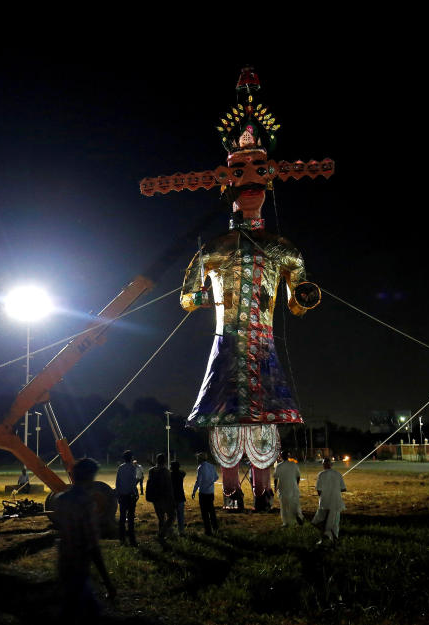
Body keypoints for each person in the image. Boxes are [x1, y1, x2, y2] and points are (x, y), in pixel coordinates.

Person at [178, 69, 322, 507]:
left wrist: (305, 297)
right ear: (227, 182)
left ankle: (261, 494)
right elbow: (186, 296)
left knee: (262, 426)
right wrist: (206, 297)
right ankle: (233, 494)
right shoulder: (214, 248)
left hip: (262, 346)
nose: (251, 184)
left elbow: (298, 302)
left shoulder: (284, 250)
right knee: (225, 425)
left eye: (259, 173)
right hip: (226, 344)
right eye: (240, 173)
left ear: (271, 179)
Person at [53, 458, 116, 622]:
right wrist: (107, 581)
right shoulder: (86, 503)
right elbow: (92, 544)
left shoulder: (61, 500)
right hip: (79, 564)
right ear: (89, 477)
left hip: (64, 562)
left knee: (72, 606)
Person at [312, 458, 346, 545]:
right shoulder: (338, 474)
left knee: (319, 521)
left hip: (325, 502)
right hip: (336, 501)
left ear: (324, 465)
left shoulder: (321, 474)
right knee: (334, 523)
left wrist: (324, 496)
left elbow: (318, 490)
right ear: (331, 465)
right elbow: (343, 489)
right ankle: (333, 537)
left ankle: (324, 538)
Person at [146, 453, 175, 539]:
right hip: (164, 497)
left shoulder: (151, 470)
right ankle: (163, 533)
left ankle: (162, 535)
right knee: (171, 517)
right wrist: (172, 499)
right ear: (165, 461)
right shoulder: (166, 471)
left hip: (155, 497)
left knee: (161, 518)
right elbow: (169, 486)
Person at [191, 452, 219, 536]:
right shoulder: (212, 466)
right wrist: (210, 482)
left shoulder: (200, 468)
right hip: (211, 492)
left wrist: (194, 491)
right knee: (211, 511)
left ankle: (208, 531)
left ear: (200, 459)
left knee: (204, 513)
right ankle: (215, 528)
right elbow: (216, 477)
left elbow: (198, 481)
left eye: (198, 458)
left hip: (203, 493)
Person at [273, 450, 303, 527]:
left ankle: (286, 522)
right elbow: (298, 476)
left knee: (284, 505)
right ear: (288, 456)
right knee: (295, 503)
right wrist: (296, 485)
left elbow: (276, 478)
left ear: (281, 457)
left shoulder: (278, 466)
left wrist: (275, 487)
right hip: (293, 487)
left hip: (283, 487)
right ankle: (298, 516)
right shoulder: (293, 464)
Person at [115, 450, 138, 546]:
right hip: (130, 495)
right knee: (131, 518)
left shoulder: (120, 468)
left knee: (122, 518)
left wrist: (118, 494)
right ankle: (132, 539)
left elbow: (118, 482)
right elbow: (133, 482)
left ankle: (122, 539)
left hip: (122, 496)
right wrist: (136, 493)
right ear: (131, 457)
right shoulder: (133, 468)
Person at [170, 460, 187, 536]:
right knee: (180, 516)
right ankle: (181, 531)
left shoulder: (170, 475)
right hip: (180, 497)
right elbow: (184, 472)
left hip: (172, 498)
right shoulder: (181, 474)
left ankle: (171, 531)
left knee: (171, 516)